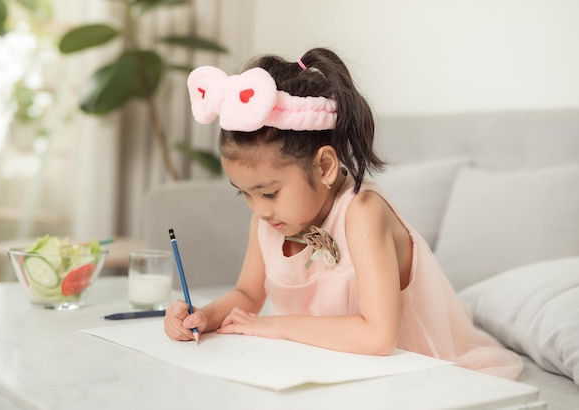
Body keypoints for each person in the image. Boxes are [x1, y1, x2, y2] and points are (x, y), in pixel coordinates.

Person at [164, 47, 522, 379]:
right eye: (245, 193)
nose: (258, 209)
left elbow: (378, 336)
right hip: (328, 366)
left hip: (412, 369)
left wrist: (272, 325)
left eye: (269, 192)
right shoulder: (270, 215)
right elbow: (247, 294)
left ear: (324, 167)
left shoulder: (362, 212)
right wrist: (204, 317)